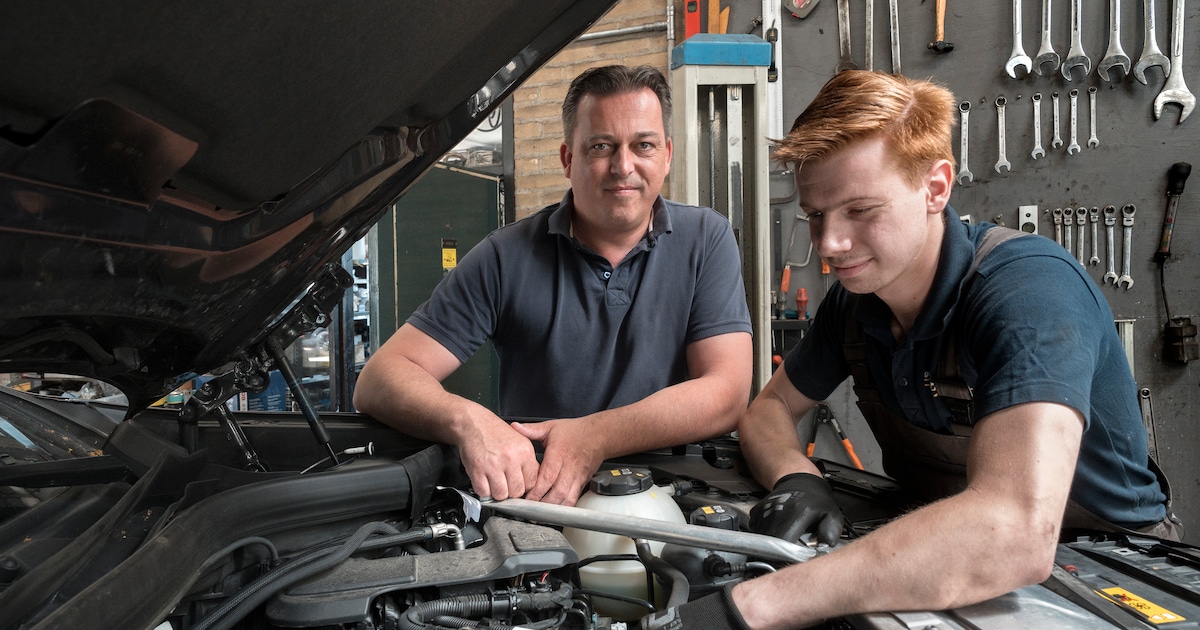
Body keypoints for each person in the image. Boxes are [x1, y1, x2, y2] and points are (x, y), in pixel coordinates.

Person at [640, 70, 1180, 629]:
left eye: (860, 210)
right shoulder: (854, 306)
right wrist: (797, 477)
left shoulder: (1029, 291)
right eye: (816, 215)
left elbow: (1014, 532)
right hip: (938, 549)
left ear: (936, 187)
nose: (829, 244)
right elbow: (768, 412)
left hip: (1107, 573)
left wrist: (746, 609)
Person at [354, 64, 753, 507]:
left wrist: (595, 436)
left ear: (667, 155)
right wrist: (468, 420)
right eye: (601, 146)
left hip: (673, 497)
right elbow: (379, 379)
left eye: (643, 145)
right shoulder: (506, 256)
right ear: (568, 159)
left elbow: (727, 392)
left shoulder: (707, 239)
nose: (624, 166)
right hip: (542, 501)